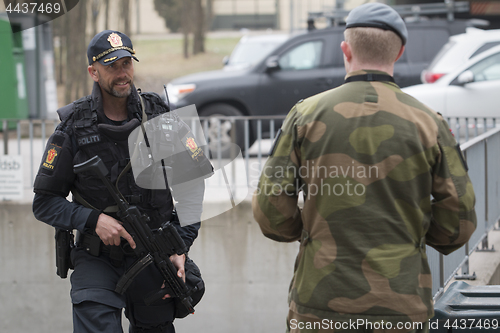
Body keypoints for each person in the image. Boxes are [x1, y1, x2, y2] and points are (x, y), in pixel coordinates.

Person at [252, 3, 477, 333]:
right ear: (399, 53)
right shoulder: (429, 123)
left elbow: (270, 212)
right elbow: (459, 221)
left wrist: (312, 233)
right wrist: (411, 235)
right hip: (403, 307)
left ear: (346, 49)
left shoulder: (305, 116)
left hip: (320, 307)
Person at [33, 30, 209, 333]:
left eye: (126, 63)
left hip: (153, 253)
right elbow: (45, 203)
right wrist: (92, 219)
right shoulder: (72, 127)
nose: (122, 73)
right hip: (97, 257)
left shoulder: (161, 117)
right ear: (93, 71)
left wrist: (180, 247)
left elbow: (193, 186)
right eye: (112, 66)